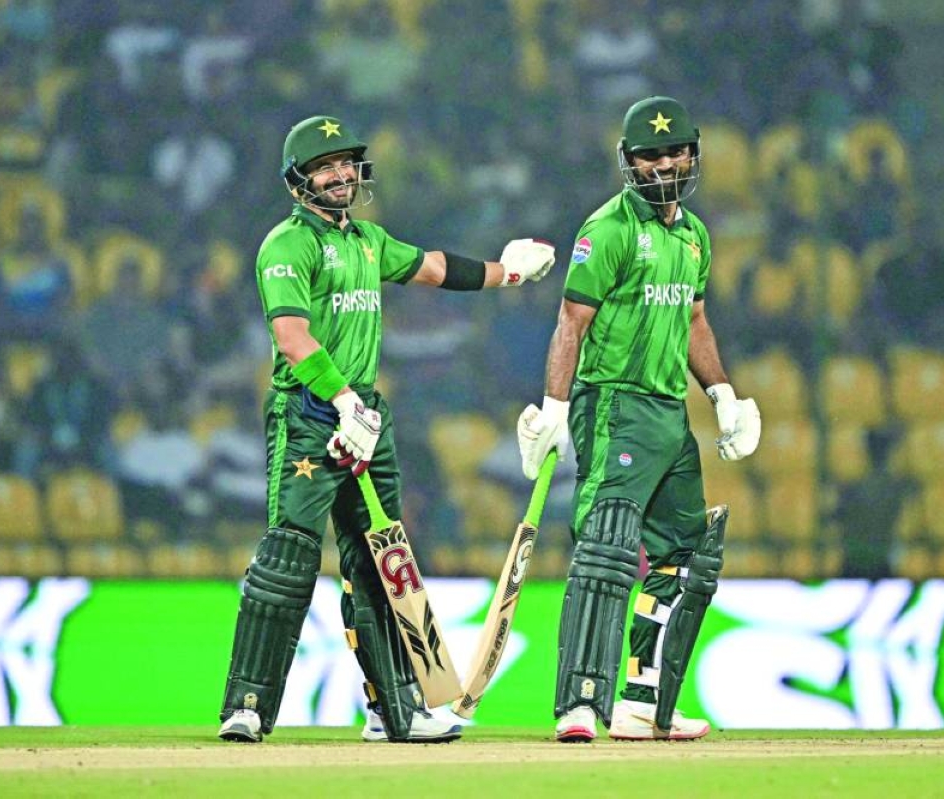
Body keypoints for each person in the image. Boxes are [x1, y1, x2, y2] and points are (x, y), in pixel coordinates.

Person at [218, 115, 556, 744]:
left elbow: (430, 267)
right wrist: (343, 401)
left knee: (382, 563)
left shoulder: (367, 241)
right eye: (326, 165)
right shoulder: (284, 246)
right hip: (309, 416)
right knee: (289, 556)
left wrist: (506, 272)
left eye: (347, 162)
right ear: (298, 181)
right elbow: (293, 340)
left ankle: (395, 712)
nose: (341, 173)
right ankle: (247, 706)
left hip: (367, 415)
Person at [516, 96, 761, 743]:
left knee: (682, 558)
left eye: (675, 151)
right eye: (651, 154)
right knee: (606, 547)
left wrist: (723, 394)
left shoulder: (695, 236)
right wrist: (557, 409)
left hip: (667, 411)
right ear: (629, 162)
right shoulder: (609, 229)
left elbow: (695, 320)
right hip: (614, 403)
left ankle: (641, 700)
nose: (665, 164)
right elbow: (572, 321)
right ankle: (579, 701)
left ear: (693, 154)